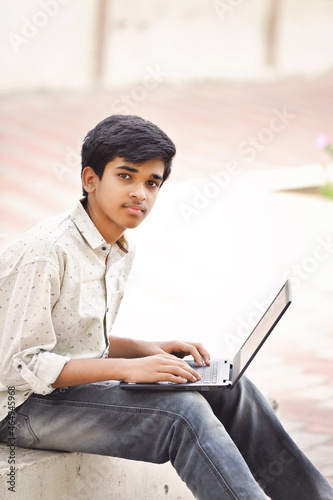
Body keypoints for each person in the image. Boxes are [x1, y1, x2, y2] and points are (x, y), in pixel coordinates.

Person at [0, 114, 332, 500]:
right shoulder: (47, 253)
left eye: (152, 182)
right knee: (183, 415)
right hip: (20, 409)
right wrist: (129, 369)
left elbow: (74, 336)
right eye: (126, 176)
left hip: (62, 391)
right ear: (90, 179)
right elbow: (18, 366)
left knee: (230, 388)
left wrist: (144, 349)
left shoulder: (118, 246)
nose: (140, 193)